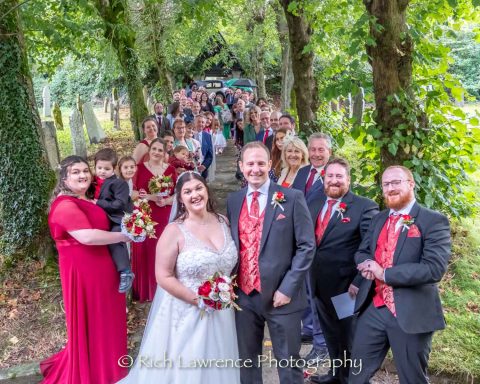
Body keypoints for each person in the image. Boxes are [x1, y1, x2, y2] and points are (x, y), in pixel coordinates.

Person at [118, 172, 240, 383]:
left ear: (207, 190)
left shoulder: (224, 222)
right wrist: (200, 300)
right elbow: (163, 276)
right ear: (180, 198)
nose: (195, 194)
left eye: (199, 188)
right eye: (188, 191)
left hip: (222, 313)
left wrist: (222, 295)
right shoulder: (174, 231)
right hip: (186, 313)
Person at [350, 166, 451, 384]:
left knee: (412, 379)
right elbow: (362, 252)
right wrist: (366, 264)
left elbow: (434, 268)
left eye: (396, 182)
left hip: (411, 312)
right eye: (386, 184)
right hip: (374, 308)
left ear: (411, 183)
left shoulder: (433, 221)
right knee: (356, 375)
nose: (391, 188)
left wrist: (384, 273)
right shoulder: (379, 219)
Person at [226, 142, 315, 384]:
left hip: (282, 298)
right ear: (242, 166)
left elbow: (307, 246)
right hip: (244, 296)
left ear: (269, 165)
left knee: (288, 361)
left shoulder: (292, 197)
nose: (256, 169)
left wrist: (288, 288)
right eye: (250, 164)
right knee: (247, 361)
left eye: (261, 163)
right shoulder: (233, 201)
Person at [40, 156, 128, 384]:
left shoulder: (84, 199)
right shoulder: (65, 205)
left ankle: (110, 367)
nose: (83, 176)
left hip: (102, 269)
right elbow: (87, 236)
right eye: (75, 172)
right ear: (64, 178)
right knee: (93, 321)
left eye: (85, 171)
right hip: (85, 274)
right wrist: (124, 235)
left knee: (106, 320)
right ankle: (96, 372)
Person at [308, 158, 378, 384]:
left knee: (349, 338)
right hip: (318, 284)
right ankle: (336, 376)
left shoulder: (364, 207)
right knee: (331, 336)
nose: (334, 181)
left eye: (339, 176)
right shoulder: (314, 201)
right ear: (323, 178)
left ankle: (352, 380)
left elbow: (371, 247)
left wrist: (359, 282)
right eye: (330, 176)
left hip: (347, 288)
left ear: (348, 179)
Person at [131, 139, 177, 302]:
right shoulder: (138, 169)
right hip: (145, 215)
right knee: (147, 250)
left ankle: (165, 288)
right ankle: (147, 290)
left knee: (164, 250)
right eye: (154, 149)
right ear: (148, 150)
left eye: (160, 150)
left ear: (165, 152)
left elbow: (177, 194)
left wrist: (165, 201)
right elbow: (132, 194)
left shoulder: (171, 170)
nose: (156, 152)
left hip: (165, 214)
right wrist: (151, 197)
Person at [93, 148, 134, 293]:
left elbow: (120, 204)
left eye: (106, 168)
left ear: (114, 168)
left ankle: (126, 271)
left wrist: (98, 203)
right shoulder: (93, 181)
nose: (102, 171)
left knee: (115, 238)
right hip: (101, 218)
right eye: (99, 168)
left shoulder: (119, 184)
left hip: (118, 219)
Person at [291, 132, 332, 203]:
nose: (316, 154)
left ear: (330, 152)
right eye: (313, 149)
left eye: (321, 150)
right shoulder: (302, 171)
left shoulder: (334, 175)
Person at [194, 114, 214, 180]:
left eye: (202, 122)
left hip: (203, 169)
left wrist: (204, 166)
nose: (200, 124)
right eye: (199, 122)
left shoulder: (208, 136)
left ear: (205, 124)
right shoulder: (189, 135)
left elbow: (210, 155)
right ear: (194, 122)